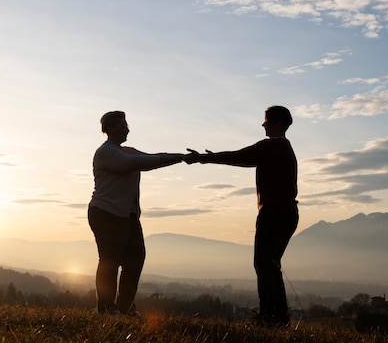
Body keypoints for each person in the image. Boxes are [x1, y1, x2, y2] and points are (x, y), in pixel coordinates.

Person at [185, 105, 299, 326]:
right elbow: (242, 158)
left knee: (263, 264)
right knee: (272, 264)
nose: (263, 124)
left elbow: (239, 156)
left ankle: (268, 316)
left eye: (266, 121)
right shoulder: (285, 148)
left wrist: (204, 159)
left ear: (276, 123)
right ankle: (278, 316)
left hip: (273, 213)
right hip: (288, 213)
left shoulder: (271, 146)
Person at [88, 111, 188, 317]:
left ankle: (124, 308)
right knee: (110, 260)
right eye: (123, 125)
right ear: (111, 128)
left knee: (135, 259)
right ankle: (107, 308)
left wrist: (181, 157)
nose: (128, 129)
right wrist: (180, 158)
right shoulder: (106, 152)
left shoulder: (127, 151)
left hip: (128, 216)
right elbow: (135, 164)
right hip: (106, 213)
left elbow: (150, 158)